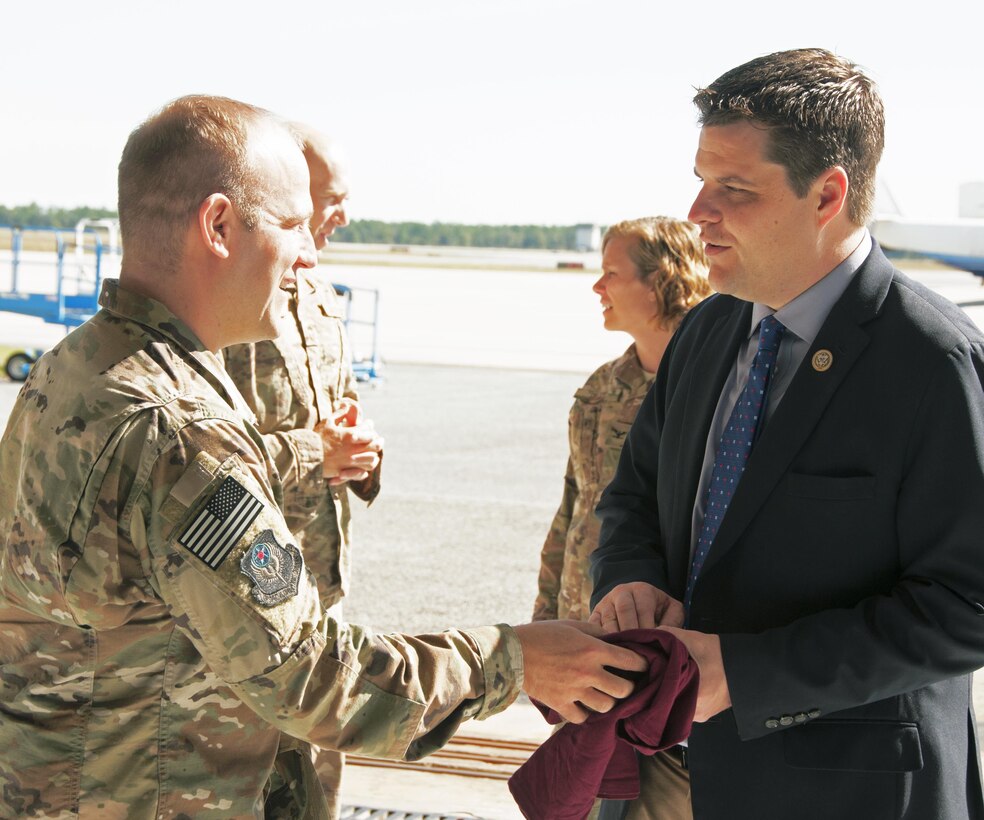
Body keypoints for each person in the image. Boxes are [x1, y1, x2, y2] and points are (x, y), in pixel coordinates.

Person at [0, 94, 647, 818]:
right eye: (292, 224)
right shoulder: (182, 431)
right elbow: (310, 676)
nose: (310, 255)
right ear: (218, 226)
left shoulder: (76, 366)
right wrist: (517, 660)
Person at [589, 49, 984, 820]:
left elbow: (968, 606)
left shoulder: (931, 360)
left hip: (840, 789)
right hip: (660, 767)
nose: (699, 210)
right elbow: (633, 494)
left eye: (733, 190)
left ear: (827, 195)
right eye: (702, 181)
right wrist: (629, 577)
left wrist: (744, 672)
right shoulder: (708, 329)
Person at [222, 124, 371, 816]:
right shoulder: (226, 297)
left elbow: (339, 409)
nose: (342, 216)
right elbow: (204, 454)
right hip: (242, 582)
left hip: (321, 576)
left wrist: (363, 451)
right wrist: (316, 454)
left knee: (321, 757)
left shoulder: (317, 296)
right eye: (329, 200)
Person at [532, 216, 710, 623]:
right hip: (582, 622)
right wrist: (546, 618)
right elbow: (573, 508)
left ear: (663, 280)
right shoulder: (602, 387)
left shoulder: (718, 389)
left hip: (658, 629)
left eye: (612, 273)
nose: (598, 286)